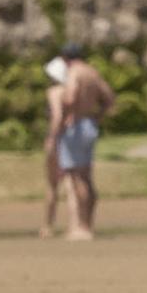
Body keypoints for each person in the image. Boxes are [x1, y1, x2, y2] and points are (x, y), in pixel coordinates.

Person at [51, 43, 114, 241]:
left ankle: (82, 227)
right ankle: (89, 223)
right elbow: (109, 98)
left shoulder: (74, 72)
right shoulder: (92, 72)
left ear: (65, 58)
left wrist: (67, 112)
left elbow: (70, 96)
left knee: (77, 176)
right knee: (87, 176)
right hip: (89, 124)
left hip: (76, 125)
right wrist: (97, 116)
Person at [40, 56, 71, 239]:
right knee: (70, 183)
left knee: (53, 185)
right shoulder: (71, 91)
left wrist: (52, 137)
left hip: (58, 140)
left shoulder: (54, 92)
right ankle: (74, 223)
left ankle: (48, 226)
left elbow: (57, 116)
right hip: (70, 139)